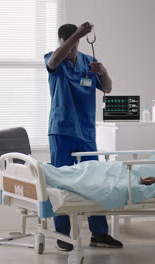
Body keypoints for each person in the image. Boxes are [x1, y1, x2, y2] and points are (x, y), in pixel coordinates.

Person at [44, 22, 119, 251]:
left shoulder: (88, 61)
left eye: (75, 44)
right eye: (68, 44)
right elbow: (55, 61)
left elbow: (107, 88)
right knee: (62, 182)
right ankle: (62, 234)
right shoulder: (54, 57)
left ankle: (99, 234)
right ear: (62, 42)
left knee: (93, 180)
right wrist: (78, 33)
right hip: (62, 129)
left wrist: (103, 72)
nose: (71, 49)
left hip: (86, 131)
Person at [42, 106, 155, 210]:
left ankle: (47, 174)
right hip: (133, 168)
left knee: (94, 179)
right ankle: (48, 172)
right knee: (89, 167)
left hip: (141, 177)